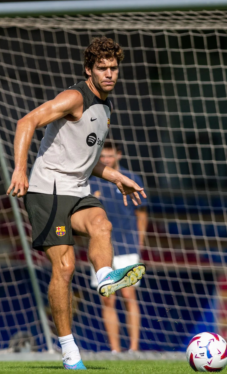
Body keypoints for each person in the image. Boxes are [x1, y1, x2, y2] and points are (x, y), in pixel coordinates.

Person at [7, 37, 147, 370]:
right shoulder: (74, 97)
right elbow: (25, 122)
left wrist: (114, 176)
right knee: (65, 268)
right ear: (89, 69)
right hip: (47, 190)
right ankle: (69, 350)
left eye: (114, 68)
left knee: (103, 224)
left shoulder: (106, 106)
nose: (109, 73)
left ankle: (103, 276)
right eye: (102, 68)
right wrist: (21, 169)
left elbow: (85, 160)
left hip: (78, 188)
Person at [89, 141, 147, 353]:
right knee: (108, 299)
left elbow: (141, 214)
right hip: (100, 248)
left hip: (127, 246)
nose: (106, 160)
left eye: (110, 156)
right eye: (102, 156)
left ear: (118, 155)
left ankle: (133, 349)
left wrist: (138, 243)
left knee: (129, 295)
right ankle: (115, 350)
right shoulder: (90, 181)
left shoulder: (131, 179)